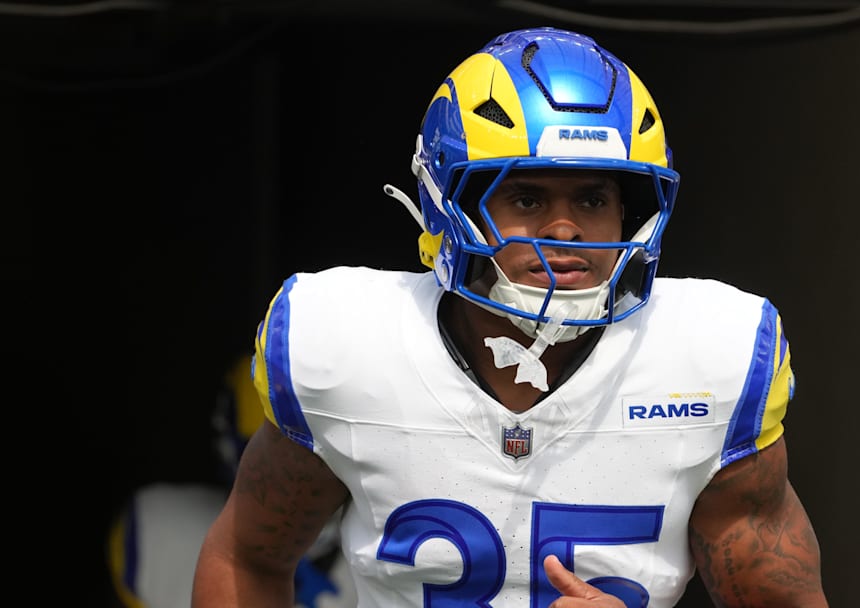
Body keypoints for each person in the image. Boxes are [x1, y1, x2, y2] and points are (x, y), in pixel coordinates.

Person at [193, 26, 828, 608]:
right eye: (526, 196)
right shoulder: (346, 345)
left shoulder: (710, 359)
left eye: (593, 197)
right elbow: (246, 559)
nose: (564, 230)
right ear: (449, 202)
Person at [107, 356, 358, 608]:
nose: (298, 484)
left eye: (318, 458)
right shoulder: (161, 532)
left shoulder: (384, 547)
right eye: (279, 461)